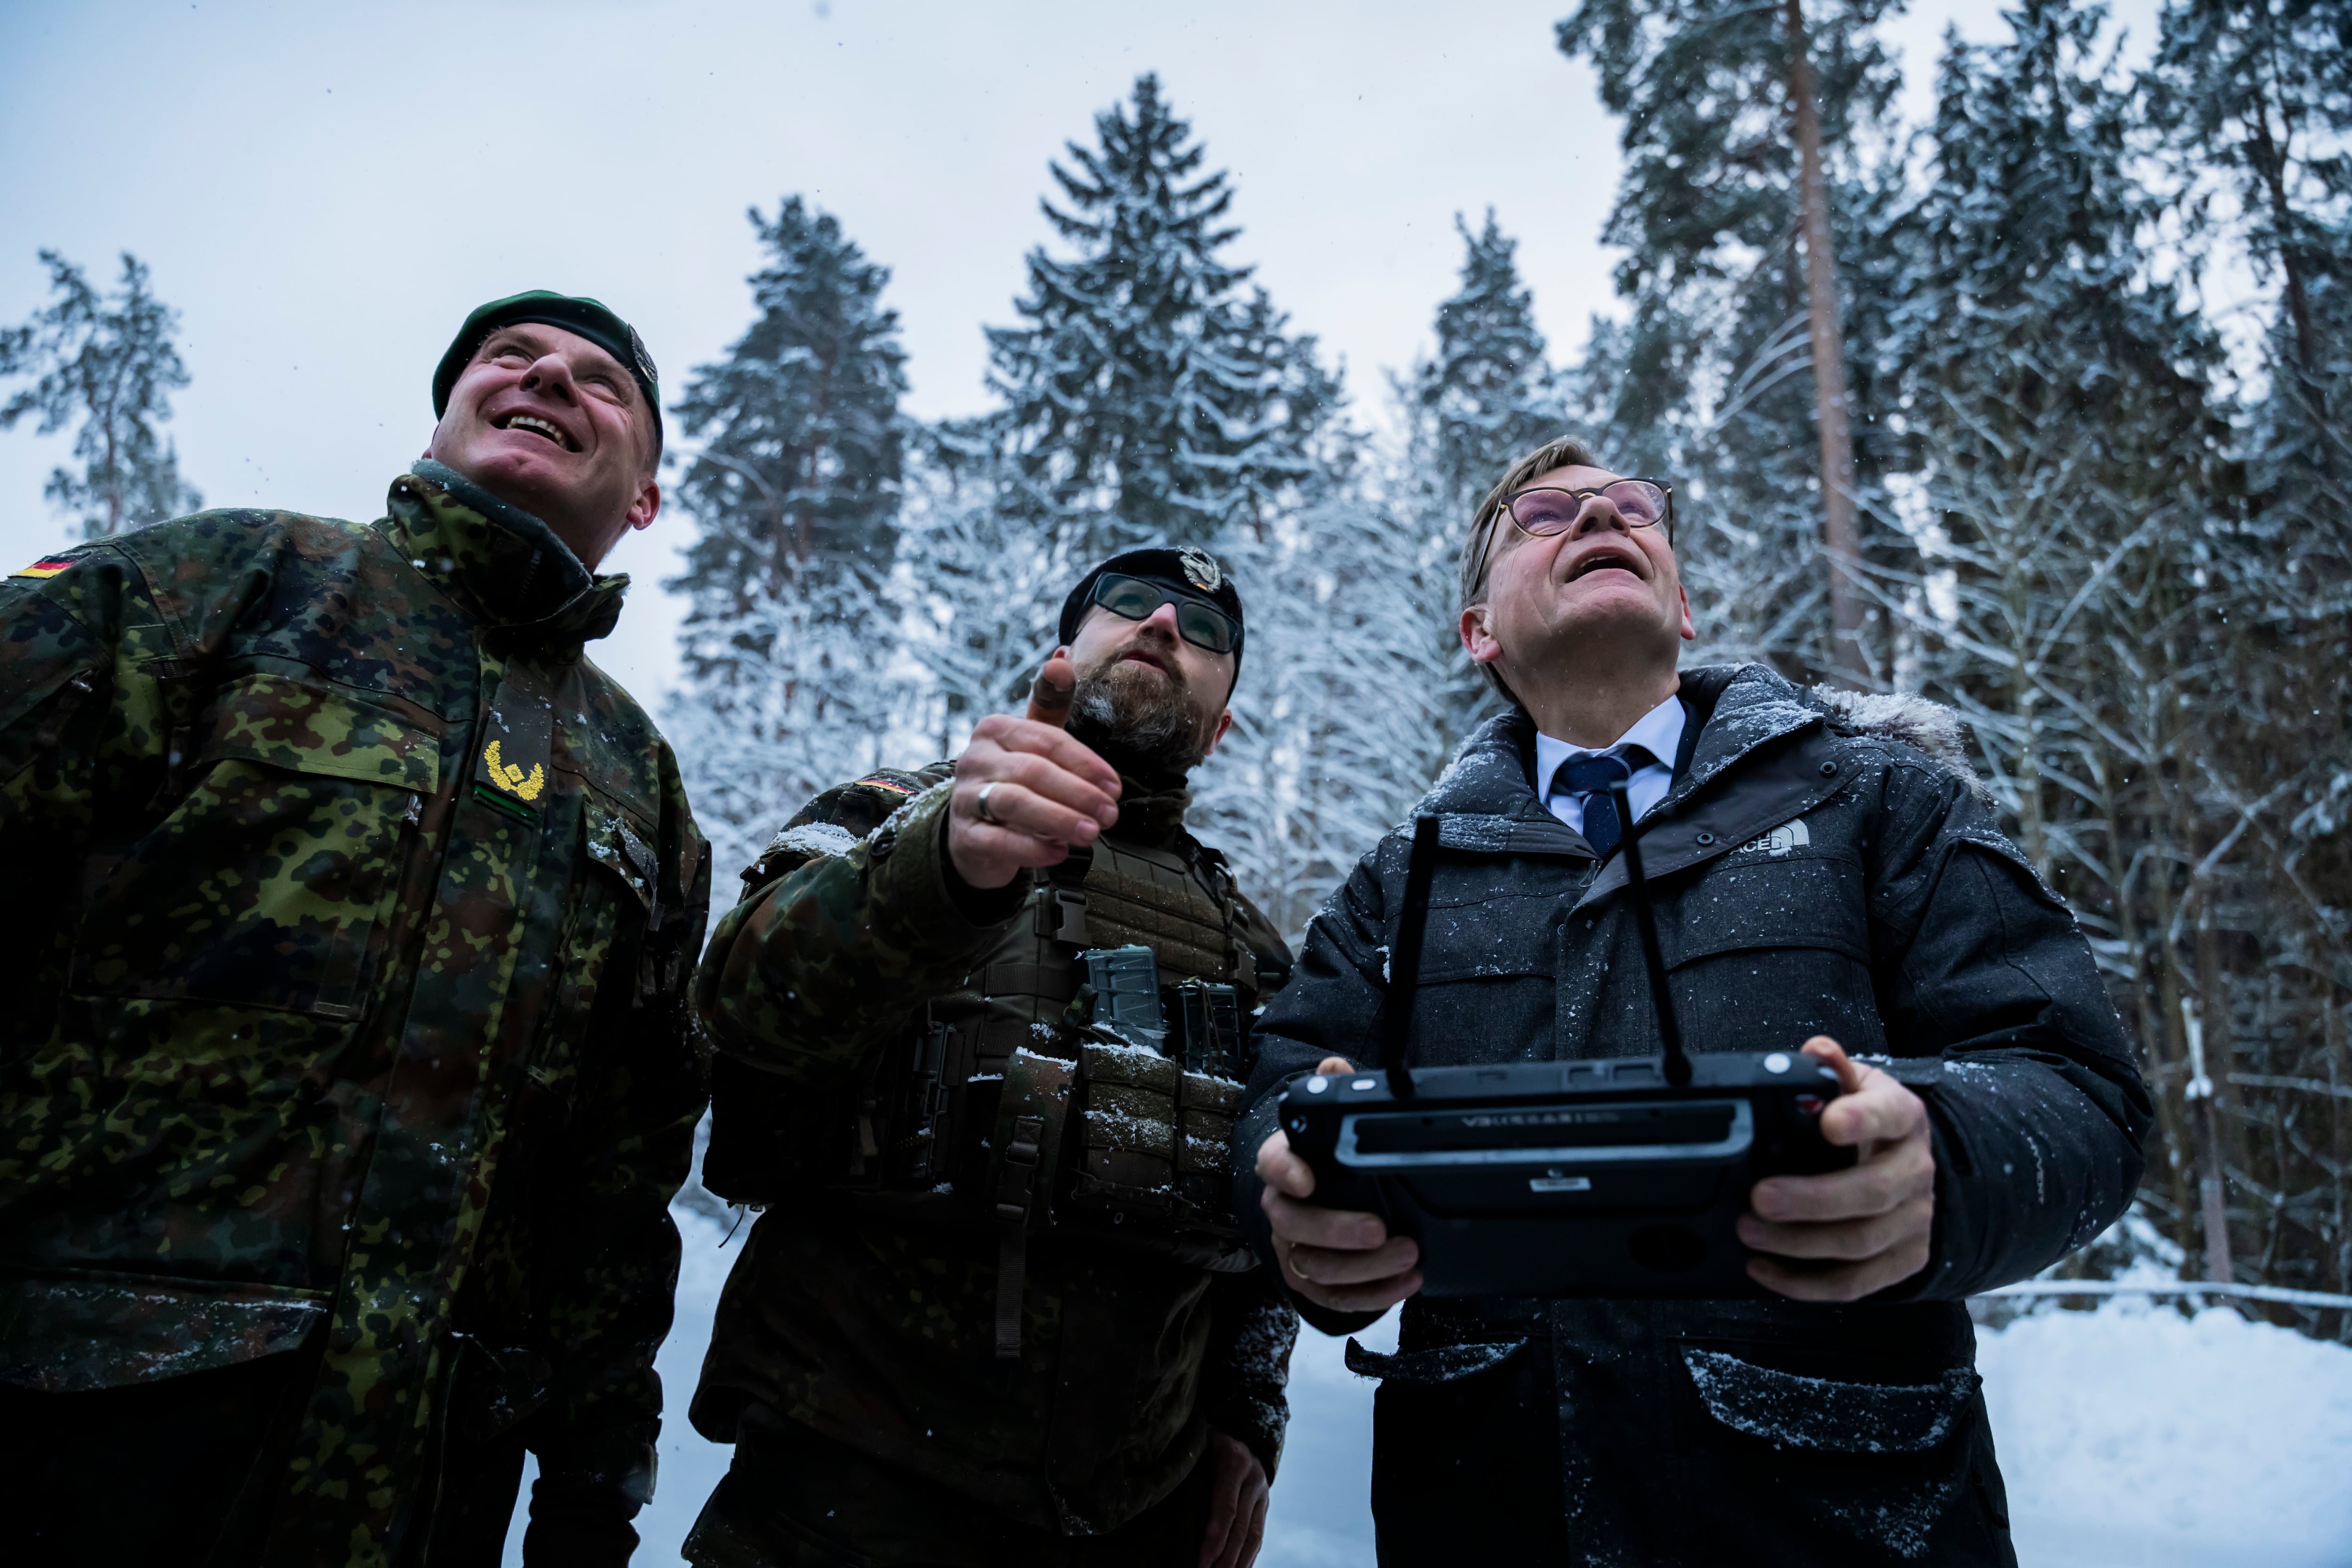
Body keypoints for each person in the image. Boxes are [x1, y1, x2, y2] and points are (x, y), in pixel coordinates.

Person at [1240, 436, 2152, 1566]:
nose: (1597, 517)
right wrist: (1289, 1206)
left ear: (1680, 597)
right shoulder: (1401, 879)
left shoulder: (1878, 797)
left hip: (1844, 1519)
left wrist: (1946, 1160)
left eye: (1631, 506)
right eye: (1544, 514)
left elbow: (2078, 1086)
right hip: (1484, 1511)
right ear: (1478, 631)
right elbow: (1280, 1101)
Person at [0, 291, 710, 1566]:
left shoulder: (638, 783)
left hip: (429, 1480)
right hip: (83, 1424)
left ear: (644, 494)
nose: (547, 374)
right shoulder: (222, 587)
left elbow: (619, 1168)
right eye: (510, 357)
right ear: (449, 418)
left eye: (601, 381)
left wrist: (596, 1483)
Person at [684, 546, 1296, 1568]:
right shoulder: (890, 811)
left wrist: (1249, 1410)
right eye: (1132, 605)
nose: (1164, 627)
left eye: (1206, 630)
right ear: (1066, 651)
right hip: (841, 1501)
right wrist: (947, 864)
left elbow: (1265, 1208)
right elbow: (743, 1003)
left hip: (1131, 1519)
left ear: (1224, 722)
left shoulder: (1252, 948)